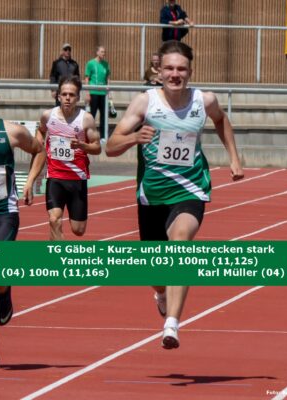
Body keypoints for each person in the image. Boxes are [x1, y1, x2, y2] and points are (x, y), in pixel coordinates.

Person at [106, 40, 244, 349]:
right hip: (152, 195)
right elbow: (110, 147)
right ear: (159, 71)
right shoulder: (144, 103)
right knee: (156, 272)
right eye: (169, 68)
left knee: (180, 245)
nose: (175, 74)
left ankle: (172, 324)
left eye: (181, 69)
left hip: (190, 189)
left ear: (190, 71)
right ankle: (161, 293)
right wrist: (132, 138)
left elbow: (221, 120)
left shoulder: (203, 100)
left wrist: (234, 157)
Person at [0, 76, 42, 367]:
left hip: (2, 214)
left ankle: (3, 291)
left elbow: (39, 150)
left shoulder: (10, 132)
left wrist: (30, 182)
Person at [23, 76, 101, 240]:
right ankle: (59, 258)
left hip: (77, 179)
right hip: (55, 177)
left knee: (78, 230)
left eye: (71, 95)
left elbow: (97, 147)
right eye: (64, 94)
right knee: (54, 220)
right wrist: (39, 144)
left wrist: (82, 146)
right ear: (58, 96)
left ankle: (54, 244)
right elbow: (41, 130)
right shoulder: (48, 116)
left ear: (78, 97)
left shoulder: (86, 119)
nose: (67, 98)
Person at [84, 46, 111, 141]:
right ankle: (89, 135)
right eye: (102, 52)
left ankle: (103, 136)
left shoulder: (106, 64)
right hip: (93, 92)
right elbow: (87, 78)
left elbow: (107, 77)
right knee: (92, 115)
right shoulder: (91, 63)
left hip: (103, 93)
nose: (103, 53)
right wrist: (87, 92)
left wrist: (108, 91)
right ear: (97, 52)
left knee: (104, 115)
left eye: (104, 52)